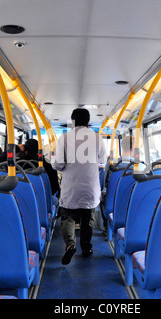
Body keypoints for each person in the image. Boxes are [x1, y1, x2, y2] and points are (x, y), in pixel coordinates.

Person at [52, 108, 106, 265]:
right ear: (88, 122)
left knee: (68, 217)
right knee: (87, 219)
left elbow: (58, 164)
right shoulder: (97, 138)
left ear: (72, 122)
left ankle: (70, 244)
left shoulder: (64, 138)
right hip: (90, 187)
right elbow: (102, 159)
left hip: (71, 187)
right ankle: (86, 248)